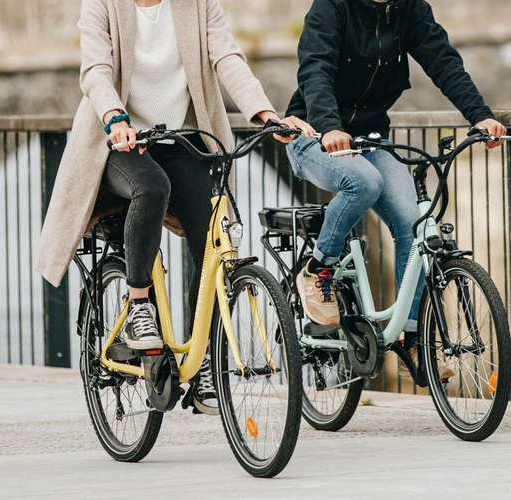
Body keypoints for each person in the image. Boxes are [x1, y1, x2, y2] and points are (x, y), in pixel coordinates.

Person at [36, 0, 308, 414]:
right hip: (119, 142)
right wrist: (115, 117)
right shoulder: (103, 4)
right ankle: (139, 304)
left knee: (213, 244)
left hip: (181, 139)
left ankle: (206, 371)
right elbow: (95, 69)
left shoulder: (198, 3)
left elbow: (227, 56)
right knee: (151, 186)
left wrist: (265, 113)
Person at [283, 0, 507, 369]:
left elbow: (443, 61)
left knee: (413, 226)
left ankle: (413, 337)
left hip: (370, 139)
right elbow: (315, 69)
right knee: (363, 182)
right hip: (314, 134)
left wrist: (480, 116)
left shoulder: (409, 8)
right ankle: (318, 269)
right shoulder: (332, 6)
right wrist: (329, 125)